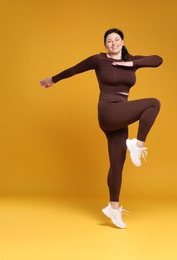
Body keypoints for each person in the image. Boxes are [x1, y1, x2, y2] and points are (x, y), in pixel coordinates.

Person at [40, 28, 163, 229]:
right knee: (153, 103)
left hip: (121, 112)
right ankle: (138, 144)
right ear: (105, 45)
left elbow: (158, 59)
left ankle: (113, 208)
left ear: (122, 42)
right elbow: (74, 69)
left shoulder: (131, 60)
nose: (113, 43)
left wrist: (131, 63)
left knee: (117, 164)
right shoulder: (99, 60)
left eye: (116, 40)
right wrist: (53, 80)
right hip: (108, 110)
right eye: (109, 41)